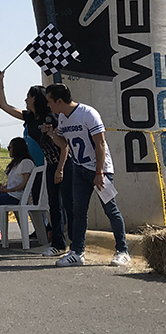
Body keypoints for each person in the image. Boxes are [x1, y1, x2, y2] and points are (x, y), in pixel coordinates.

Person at [44, 83, 130, 267]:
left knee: (110, 209)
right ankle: (77, 252)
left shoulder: (88, 113)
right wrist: (52, 134)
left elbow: (100, 144)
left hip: (99, 169)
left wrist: (99, 172)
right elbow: (64, 144)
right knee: (78, 212)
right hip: (78, 169)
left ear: (59, 101)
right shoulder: (62, 118)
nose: (48, 105)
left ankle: (122, 251)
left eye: (50, 101)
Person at [0, 72, 74, 257]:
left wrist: (61, 168)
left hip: (64, 162)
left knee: (68, 205)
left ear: (35, 98)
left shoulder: (52, 117)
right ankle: (58, 244)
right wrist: (1, 83)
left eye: (28, 96)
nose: (25, 99)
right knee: (53, 205)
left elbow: (65, 146)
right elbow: (3, 106)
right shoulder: (30, 118)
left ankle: (75, 243)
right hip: (49, 164)